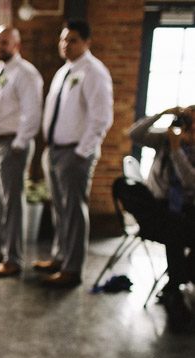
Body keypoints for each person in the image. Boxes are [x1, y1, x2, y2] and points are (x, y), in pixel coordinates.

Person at [33, 19, 113, 288]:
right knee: (59, 209)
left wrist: (81, 152)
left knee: (74, 212)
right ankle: (59, 256)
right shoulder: (64, 71)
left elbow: (101, 118)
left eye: (73, 40)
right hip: (55, 151)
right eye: (63, 39)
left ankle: (73, 268)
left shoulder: (94, 72)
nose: (66, 44)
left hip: (75, 153)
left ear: (87, 42)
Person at [0, 26, 43, 278]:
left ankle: (13, 258)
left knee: (12, 204)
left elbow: (32, 113)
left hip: (12, 144)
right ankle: (0, 248)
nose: (0, 46)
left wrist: (18, 144)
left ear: (17, 45)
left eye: (5, 42)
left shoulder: (25, 73)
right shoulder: (0, 71)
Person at [127, 105, 195, 328]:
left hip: (185, 209)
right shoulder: (164, 140)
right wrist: (162, 114)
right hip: (159, 209)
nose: (188, 130)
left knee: (179, 228)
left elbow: (189, 182)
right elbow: (134, 134)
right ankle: (175, 286)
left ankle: (176, 283)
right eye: (186, 122)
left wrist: (177, 151)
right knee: (175, 229)